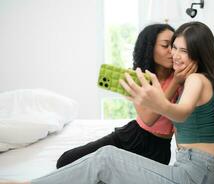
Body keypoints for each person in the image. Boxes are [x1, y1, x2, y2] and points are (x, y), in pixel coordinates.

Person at [1, 21, 214, 184]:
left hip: (195, 172)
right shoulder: (179, 79)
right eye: (172, 47)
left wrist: (159, 101)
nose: (174, 54)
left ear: (198, 52)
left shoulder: (194, 79)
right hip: (188, 167)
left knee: (106, 158)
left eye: (182, 50)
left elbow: (181, 113)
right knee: (92, 159)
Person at [55, 23, 196, 168]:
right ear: (150, 48)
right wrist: (175, 83)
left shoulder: (182, 77)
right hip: (131, 136)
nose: (171, 52)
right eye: (165, 45)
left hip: (158, 149)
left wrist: (178, 80)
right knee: (65, 162)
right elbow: (148, 119)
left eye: (173, 46)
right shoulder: (138, 77)